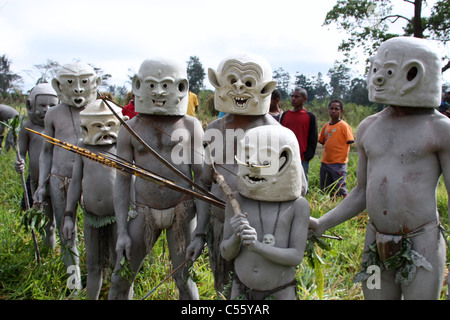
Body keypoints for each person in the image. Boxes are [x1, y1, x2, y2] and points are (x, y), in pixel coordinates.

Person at [310, 37, 450, 300]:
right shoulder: (369, 127)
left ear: (416, 73)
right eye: (376, 70)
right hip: (376, 240)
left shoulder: (439, 129)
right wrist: (322, 223)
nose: (378, 79)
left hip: (423, 240)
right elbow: (362, 191)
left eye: (389, 72)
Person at [186, 53, 280, 296]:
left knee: (253, 293)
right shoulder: (214, 129)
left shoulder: (276, 132)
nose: (239, 88)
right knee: (224, 290)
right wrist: (199, 233)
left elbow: (298, 188)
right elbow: (204, 184)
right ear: (219, 84)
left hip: (259, 232)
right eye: (233, 81)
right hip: (219, 227)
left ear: (264, 89)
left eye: (248, 83)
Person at [108, 58, 202, 300]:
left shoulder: (191, 126)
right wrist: (122, 231)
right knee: (121, 278)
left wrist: (201, 230)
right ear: (138, 85)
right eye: (151, 86)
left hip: (182, 211)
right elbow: (122, 179)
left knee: (184, 279)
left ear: (181, 87)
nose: (159, 92)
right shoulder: (130, 128)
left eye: (166, 86)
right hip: (143, 212)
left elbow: (202, 179)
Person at [221, 125, 310, 300]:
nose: (253, 165)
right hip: (241, 290)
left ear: (284, 160)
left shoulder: (298, 205)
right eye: (247, 156)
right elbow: (225, 253)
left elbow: (296, 256)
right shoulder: (236, 200)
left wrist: (257, 247)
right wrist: (236, 238)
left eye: (265, 159)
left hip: (281, 291)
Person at [34, 62, 101, 283]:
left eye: (84, 82)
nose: (79, 90)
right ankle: (74, 282)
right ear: (59, 85)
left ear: (94, 84)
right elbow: (46, 152)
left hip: (91, 179)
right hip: (59, 178)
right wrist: (42, 184)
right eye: (71, 83)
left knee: (99, 228)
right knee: (66, 231)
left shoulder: (100, 111)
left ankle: (99, 275)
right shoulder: (53, 113)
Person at [63, 99, 126, 299]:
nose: (105, 130)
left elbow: (133, 183)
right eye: (98, 126)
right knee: (93, 266)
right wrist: (68, 215)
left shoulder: (124, 147)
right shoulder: (83, 148)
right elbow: (75, 183)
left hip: (119, 217)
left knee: (121, 266)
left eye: (109, 125)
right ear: (86, 127)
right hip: (91, 217)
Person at [14, 83, 58, 247]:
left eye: (52, 105)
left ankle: (62, 256)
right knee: (46, 224)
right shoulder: (27, 127)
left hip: (57, 182)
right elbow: (21, 152)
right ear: (30, 105)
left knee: (60, 223)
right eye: (42, 105)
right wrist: (19, 163)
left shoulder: (57, 128)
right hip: (36, 183)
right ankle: (45, 254)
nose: (46, 109)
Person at [280, 88, 318, 185]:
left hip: (302, 157)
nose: (293, 99)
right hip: (285, 156)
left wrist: (307, 157)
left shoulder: (310, 116)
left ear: (304, 99)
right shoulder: (285, 115)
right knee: (284, 181)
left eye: (297, 97)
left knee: (302, 182)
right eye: (292, 96)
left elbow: (313, 138)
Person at [318, 99, 354, 197]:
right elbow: (322, 140)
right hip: (325, 163)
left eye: (336, 109)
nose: (333, 111)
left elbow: (350, 141)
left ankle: (345, 206)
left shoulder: (344, 126)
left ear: (341, 111)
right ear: (328, 110)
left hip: (338, 163)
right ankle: (330, 207)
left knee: (340, 188)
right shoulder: (326, 126)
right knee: (326, 189)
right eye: (331, 108)